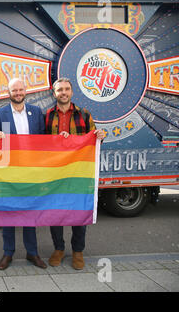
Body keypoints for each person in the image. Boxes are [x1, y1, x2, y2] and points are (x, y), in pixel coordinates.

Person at [45, 77, 105, 270]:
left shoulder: (83, 114)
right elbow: (41, 143)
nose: (63, 92)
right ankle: (59, 249)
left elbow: (94, 139)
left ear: (71, 92)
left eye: (66, 89)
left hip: (78, 173)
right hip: (54, 173)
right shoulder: (48, 115)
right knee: (55, 213)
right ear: (54, 93)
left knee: (78, 212)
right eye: (59, 89)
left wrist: (101, 136)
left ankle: (78, 251)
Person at [0, 78, 47, 270]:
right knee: (8, 213)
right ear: (8, 92)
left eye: (20, 89)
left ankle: (32, 253)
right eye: (14, 90)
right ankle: (8, 253)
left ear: (26, 91)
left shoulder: (37, 113)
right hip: (8, 173)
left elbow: (45, 142)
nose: (18, 93)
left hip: (31, 173)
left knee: (29, 214)